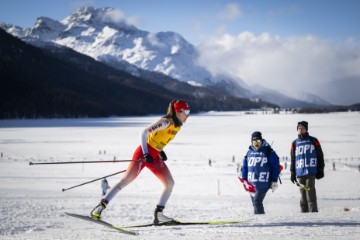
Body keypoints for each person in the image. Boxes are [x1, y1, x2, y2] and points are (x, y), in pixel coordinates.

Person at [90, 100, 190, 224]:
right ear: (178, 111)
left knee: (170, 183)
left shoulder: (177, 126)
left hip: (154, 156)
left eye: (188, 112)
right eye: (186, 112)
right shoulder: (166, 122)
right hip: (144, 154)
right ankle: (99, 208)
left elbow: (158, 138)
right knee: (125, 181)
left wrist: (160, 150)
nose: (188, 115)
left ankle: (159, 215)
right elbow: (144, 132)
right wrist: (146, 152)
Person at [241, 131, 280, 214]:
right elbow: (245, 168)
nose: (256, 143)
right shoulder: (249, 153)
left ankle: (261, 221)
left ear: (262, 141)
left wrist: (274, 180)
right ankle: (258, 222)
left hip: (263, 183)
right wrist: (244, 181)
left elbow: (276, 167)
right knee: (255, 204)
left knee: (257, 202)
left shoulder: (269, 152)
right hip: (251, 184)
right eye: (254, 141)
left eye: (258, 141)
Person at [290, 121, 324, 213]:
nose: (300, 129)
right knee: (303, 196)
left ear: (306, 129)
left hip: (311, 172)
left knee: (310, 195)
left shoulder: (313, 140)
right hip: (300, 173)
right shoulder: (294, 143)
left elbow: (320, 155)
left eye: (302, 128)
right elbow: (293, 159)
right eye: (299, 128)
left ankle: (313, 215)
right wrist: (292, 173)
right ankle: (304, 216)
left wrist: (320, 169)